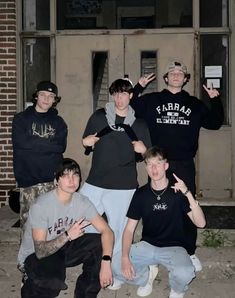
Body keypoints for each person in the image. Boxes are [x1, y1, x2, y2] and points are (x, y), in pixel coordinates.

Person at [130, 60, 224, 271]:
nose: (176, 75)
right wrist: (139, 86)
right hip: (157, 163)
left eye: (180, 73)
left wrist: (215, 100)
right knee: (154, 207)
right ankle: (152, 249)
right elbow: (132, 106)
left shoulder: (194, 104)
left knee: (187, 206)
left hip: (183, 164)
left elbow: (215, 123)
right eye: (172, 72)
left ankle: (189, 252)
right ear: (166, 78)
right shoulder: (153, 100)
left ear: (185, 79)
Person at [111, 146, 206, 298]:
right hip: (148, 245)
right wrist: (124, 258)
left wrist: (187, 193)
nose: (154, 168)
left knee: (186, 273)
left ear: (166, 165)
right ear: (146, 167)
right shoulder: (141, 194)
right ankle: (146, 277)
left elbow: (201, 223)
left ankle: (176, 288)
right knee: (115, 264)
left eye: (158, 163)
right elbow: (129, 229)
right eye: (150, 164)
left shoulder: (177, 192)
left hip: (174, 247)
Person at [18, 158, 114, 298]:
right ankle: (30, 283)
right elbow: (40, 251)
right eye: (65, 175)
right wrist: (68, 235)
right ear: (57, 180)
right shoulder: (42, 206)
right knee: (53, 283)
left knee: (99, 244)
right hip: (37, 255)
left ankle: (85, 294)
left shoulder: (82, 202)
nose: (72, 180)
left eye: (75, 175)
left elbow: (107, 231)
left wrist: (106, 262)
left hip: (64, 246)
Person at [80, 78, 151, 256]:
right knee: (81, 221)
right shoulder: (98, 117)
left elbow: (149, 156)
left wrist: (144, 151)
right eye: (116, 94)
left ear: (131, 96)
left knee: (119, 229)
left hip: (123, 185)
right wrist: (86, 142)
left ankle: (117, 267)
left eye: (124, 94)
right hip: (95, 181)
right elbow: (86, 141)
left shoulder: (139, 124)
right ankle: (93, 258)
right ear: (112, 95)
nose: (120, 99)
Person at [12, 81, 68, 228]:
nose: (46, 99)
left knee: (51, 225)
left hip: (51, 181)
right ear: (36, 96)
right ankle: (27, 253)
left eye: (51, 96)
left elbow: (60, 147)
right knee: (29, 227)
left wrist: (32, 142)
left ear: (55, 100)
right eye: (42, 94)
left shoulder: (58, 122)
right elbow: (21, 143)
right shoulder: (20, 119)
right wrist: (48, 144)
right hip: (28, 180)